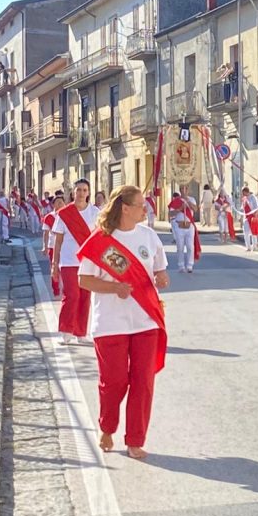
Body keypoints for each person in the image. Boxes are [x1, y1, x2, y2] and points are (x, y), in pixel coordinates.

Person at [77, 185, 170, 460]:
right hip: (110, 323)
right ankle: (107, 427)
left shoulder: (149, 236)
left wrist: (162, 277)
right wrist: (114, 288)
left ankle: (135, 440)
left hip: (146, 321)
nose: (146, 209)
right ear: (125, 208)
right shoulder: (102, 240)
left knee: (143, 382)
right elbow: (84, 280)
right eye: (141, 204)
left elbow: (160, 270)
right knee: (115, 381)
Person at [51, 179, 100, 344]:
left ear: (88, 192)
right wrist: (54, 264)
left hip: (87, 262)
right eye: (78, 190)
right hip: (68, 261)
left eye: (84, 190)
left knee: (85, 297)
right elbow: (58, 241)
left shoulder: (95, 212)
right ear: (73, 192)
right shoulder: (64, 214)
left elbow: (100, 237)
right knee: (72, 295)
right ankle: (66, 330)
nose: (81, 193)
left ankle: (80, 332)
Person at [168, 186, 200, 273]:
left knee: (190, 246)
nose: (184, 190)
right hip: (179, 226)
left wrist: (188, 201)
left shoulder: (192, 199)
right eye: (182, 189)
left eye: (186, 189)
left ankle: (190, 265)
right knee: (180, 247)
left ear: (188, 190)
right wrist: (180, 209)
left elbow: (195, 209)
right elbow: (171, 213)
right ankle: (181, 265)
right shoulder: (176, 201)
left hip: (190, 225)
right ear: (180, 190)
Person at [42, 195, 65, 297]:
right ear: (53, 204)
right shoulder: (49, 217)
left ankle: (65, 288)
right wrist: (45, 246)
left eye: (62, 202)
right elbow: (46, 233)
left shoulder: (67, 216)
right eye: (58, 202)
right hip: (52, 246)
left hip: (65, 247)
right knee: (54, 267)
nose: (60, 204)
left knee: (65, 269)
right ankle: (55, 288)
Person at [240, 185, 258, 253]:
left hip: (252, 217)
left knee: (253, 232)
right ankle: (248, 247)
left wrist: (255, 215)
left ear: (246, 191)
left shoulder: (253, 197)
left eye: (243, 192)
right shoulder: (244, 198)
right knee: (246, 232)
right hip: (246, 217)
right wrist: (241, 217)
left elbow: (256, 207)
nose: (242, 194)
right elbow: (242, 208)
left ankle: (254, 246)